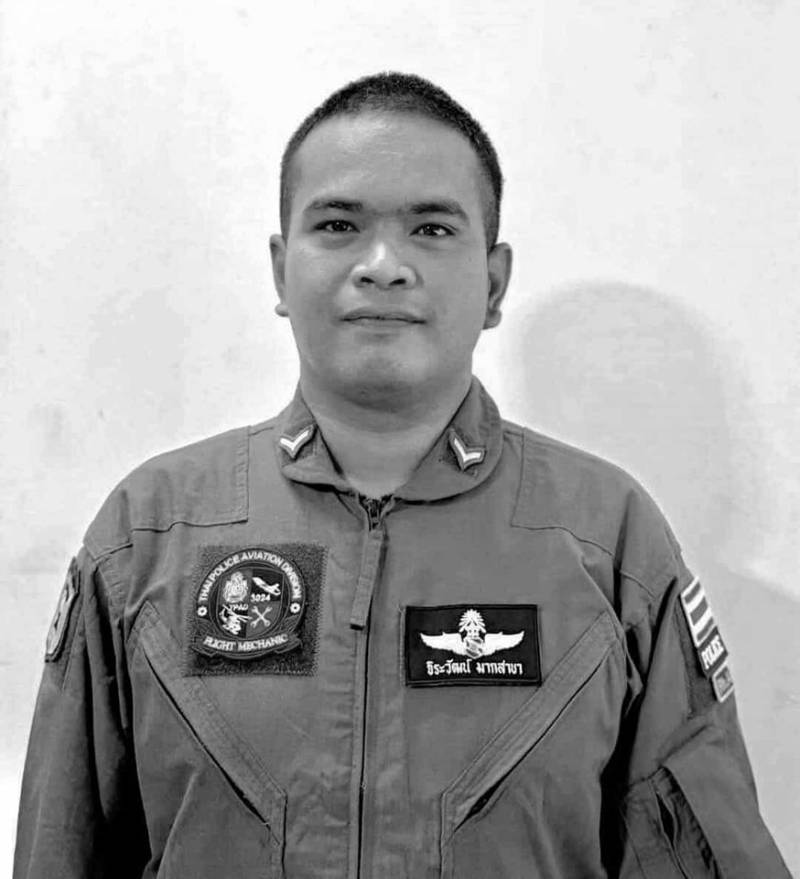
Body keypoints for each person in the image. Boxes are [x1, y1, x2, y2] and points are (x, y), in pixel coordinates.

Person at [14, 72, 790, 879]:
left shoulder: (608, 540)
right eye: (338, 225)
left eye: (431, 228)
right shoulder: (149, 534)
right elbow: (59, 850)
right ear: (281, 270)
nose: (383, 265)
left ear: (493, 283)